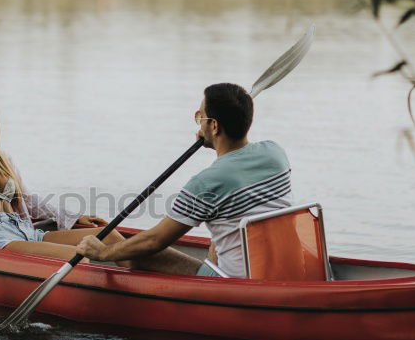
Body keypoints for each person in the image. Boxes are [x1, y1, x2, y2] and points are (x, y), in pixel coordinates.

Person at [75, 82, 292, 278]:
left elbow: (155, 241)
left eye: (201, 118)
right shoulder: (275, 153)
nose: (199, 124)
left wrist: (102, 252)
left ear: (215, 126)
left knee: (133, 253)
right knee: (221, 224)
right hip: (285, 268)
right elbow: (236, 171)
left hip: (237, 285)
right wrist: (213, 142)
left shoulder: (206, 182)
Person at [0, 85, 126, 259]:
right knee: (78, 257)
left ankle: (148, 280)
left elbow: (28, 200)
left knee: (109, 235)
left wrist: (74, 217)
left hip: (24, 229)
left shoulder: (2, 157)